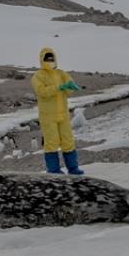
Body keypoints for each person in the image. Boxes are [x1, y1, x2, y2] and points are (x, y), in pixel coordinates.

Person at [30, 46, 84, 174]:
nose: (50, 61)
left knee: (68, 140)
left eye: (52, 58)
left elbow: (69, 89)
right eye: (47, 59)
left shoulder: (62, 73)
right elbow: (42, 91)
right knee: (51, 142)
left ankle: (73, 168)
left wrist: (70, 86)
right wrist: (59, 87)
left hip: (63, 113)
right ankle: (54, 170)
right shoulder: (38, 76)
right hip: (48, 115)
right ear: (42, 60)